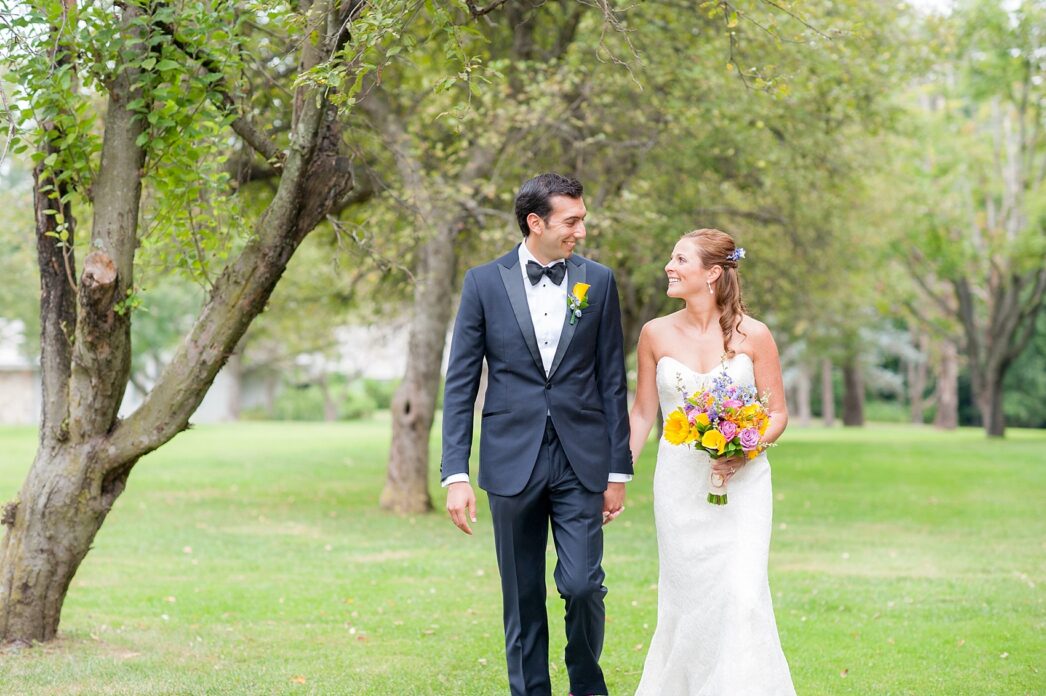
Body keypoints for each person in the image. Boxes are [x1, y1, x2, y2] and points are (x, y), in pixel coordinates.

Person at [441, 172, 633, 696]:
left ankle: (586, 686)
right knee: (522, 595)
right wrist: (455, 472)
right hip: (510, 460)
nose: (581, 232)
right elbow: (461, 383)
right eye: (572, 221)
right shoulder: (483, 282)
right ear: (535, 222)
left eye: (582, 220)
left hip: (582, 459)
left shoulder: (600, 280)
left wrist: (618, 471)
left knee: (582, 585)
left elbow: (612, 380)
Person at [629, 229, 795, 695]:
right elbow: (643, 413)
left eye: (680, 258)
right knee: (688, 602)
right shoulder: (654, 333)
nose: (669, 266)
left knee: (743, 596)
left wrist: (745, 449)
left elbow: (777, 413)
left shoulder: (755, 334)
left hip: (745, 486)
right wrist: (616, 476)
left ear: (713, 273)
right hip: (679, 485)